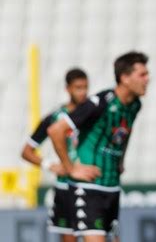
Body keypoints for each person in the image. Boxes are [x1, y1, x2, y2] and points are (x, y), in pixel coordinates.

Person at [47, 52, 149, 242]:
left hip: (112, 187)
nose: (147, 79)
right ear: (125, 78)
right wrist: (71, 168)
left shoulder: (135, 105)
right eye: (142, 74)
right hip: (88, 187)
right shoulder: (99, 102)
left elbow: (125, 131)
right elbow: (55, 131)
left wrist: (121, 160)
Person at [21, 68, 89, 242]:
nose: (82, 92)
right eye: (78, 88)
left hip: (92, 186)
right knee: (68, 237)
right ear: (68, 89)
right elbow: (27, 152)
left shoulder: (94, 112)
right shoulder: (55, 117)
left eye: (85, 87)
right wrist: (50, 165)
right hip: (66, 187)